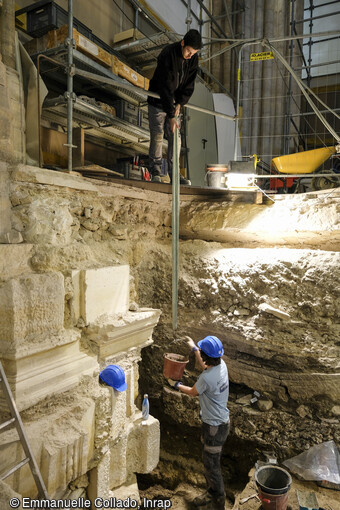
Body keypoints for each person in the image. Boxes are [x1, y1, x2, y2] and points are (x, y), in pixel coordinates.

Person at [168, 335, 230, 510]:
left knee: (212, 466)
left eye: (201, 352)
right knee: (210, 461)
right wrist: (195, 348)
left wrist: (175, 385)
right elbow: (206, 365)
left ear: (206, 356)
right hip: (221, 423)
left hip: (213, 428)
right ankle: (212, 493)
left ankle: (218, 503)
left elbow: (194, 392)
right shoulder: (221, 366)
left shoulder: (207, 378)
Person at [147, 29, 202, 185]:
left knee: (175, 139)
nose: (190, 55)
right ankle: (155, 172)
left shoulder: (193, 58)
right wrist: (171, 115)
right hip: (158, 101)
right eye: (189, 51)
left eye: (194, 53)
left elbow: (189, 84)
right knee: (158, 135)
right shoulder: (168, 54)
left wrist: (179, 104)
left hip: (173, 104)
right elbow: (165, 87)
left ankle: (174, 174)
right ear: (182, 43)